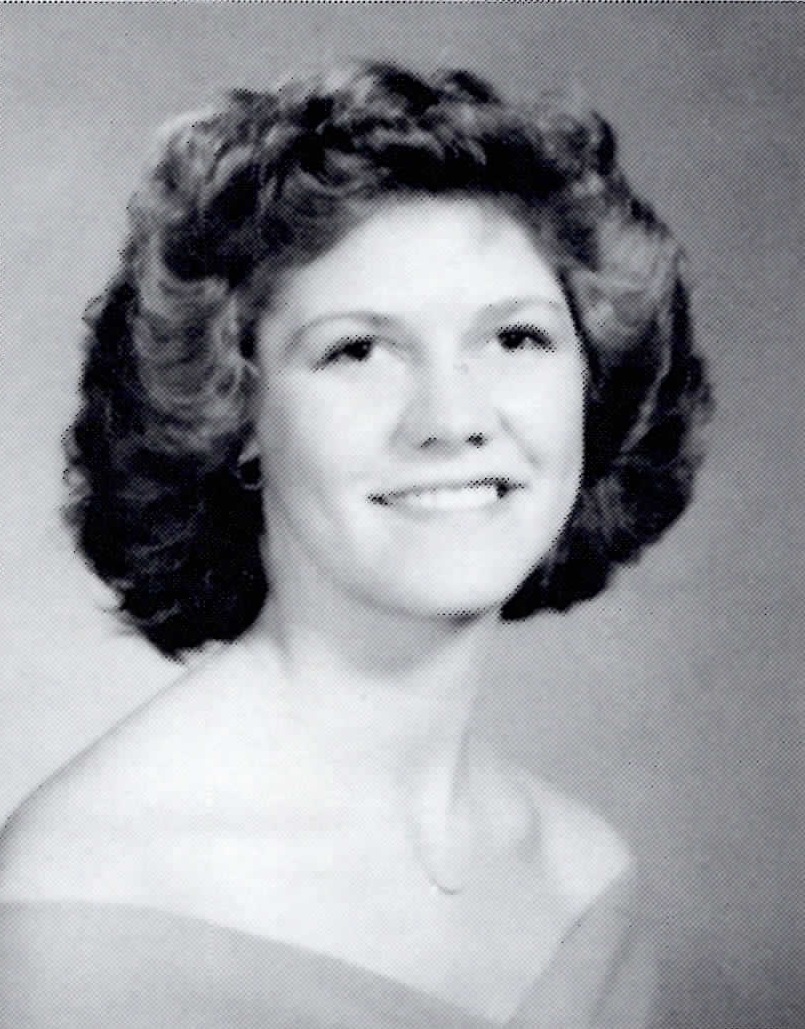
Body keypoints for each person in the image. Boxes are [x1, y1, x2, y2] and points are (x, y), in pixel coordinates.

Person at [0, 63, 710, 1027]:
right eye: (358, 350)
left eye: (514, 339)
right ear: (233, 412)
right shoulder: (86, 890)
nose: (451, 419)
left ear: (592, 384)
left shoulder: (584, 881)